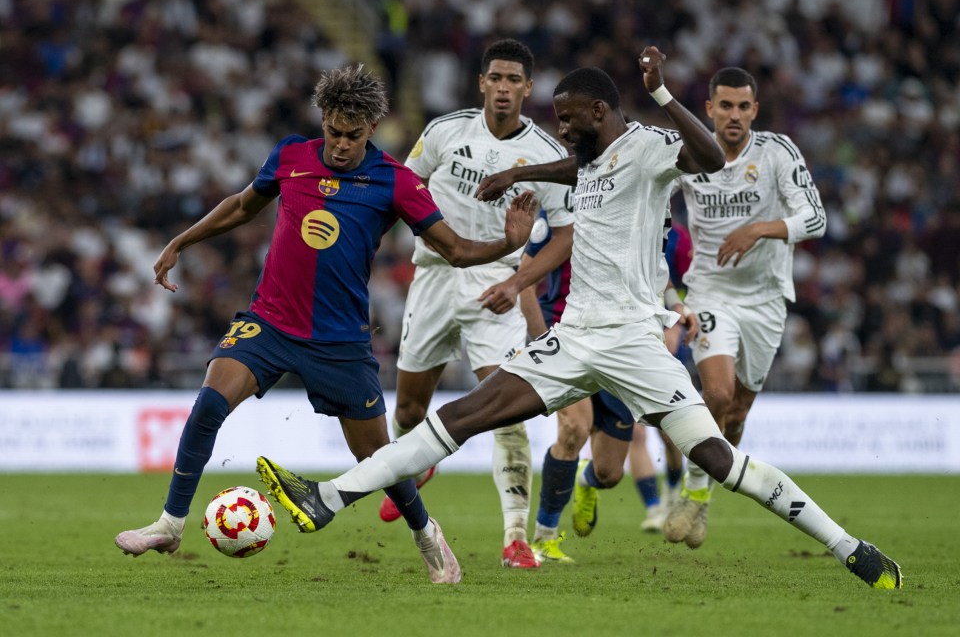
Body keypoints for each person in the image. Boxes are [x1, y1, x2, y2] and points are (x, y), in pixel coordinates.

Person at [256, 49, 902, 590]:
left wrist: (666, 95)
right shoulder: (592, 157)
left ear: (599, 112)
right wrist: (524, 170)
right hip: (572, 339)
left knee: (718, 458)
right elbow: (581, 167)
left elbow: (711, 161)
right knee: (461, 417)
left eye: (567, 120)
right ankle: (327, 499)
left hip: (630, 340)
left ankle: (849, 547)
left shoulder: (649, 145)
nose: (559, 129)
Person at [113, 64, 538, 585]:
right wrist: (182, 240)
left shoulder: (394, 181)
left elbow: (452, 249)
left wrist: (506, 245)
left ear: (372, 130)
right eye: (333, 132)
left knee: (379, 457)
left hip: (338, 342)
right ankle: (170, 524)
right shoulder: (290, 154)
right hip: (269, 323)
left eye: (352, 136)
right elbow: (244, 206)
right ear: (323, 120)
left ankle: (428, 535)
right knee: (207, 405)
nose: (340, 145)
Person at [380, 38, 574, 569]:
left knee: (505, 411)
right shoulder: (445, 131)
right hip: (436, 275)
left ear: (528, 89)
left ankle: (516, 538)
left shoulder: (548, 155)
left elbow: (565, 235)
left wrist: (519, 282)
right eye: (497, 78)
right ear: (482, 83)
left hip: (497, 283)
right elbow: (404, 186)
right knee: (409, 409)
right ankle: (416, 468)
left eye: (516, 80)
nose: (505, 88)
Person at [662, 67, 828, 550]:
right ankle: (693, 493)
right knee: (715, 393)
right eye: (725, 106)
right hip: (711, 292)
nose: (734, 115)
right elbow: (654, 205)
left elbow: (815, 217)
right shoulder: (689, 154)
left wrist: (758, 229)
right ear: (709, 108)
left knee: (736, 413)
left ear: (754, 110)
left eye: (743, 107)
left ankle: (704, 494)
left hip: (766, 300)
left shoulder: (777, 152)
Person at [523, 209, 697, 564]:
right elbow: (524, 278)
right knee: (574, 428)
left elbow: (656, 275)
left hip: (621, 342)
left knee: (610, 472)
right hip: (565, 335)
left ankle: (587, 481)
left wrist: (676, 307)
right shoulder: (559, 207)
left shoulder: (635, 205)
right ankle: (544, 538)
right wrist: (542, 339)